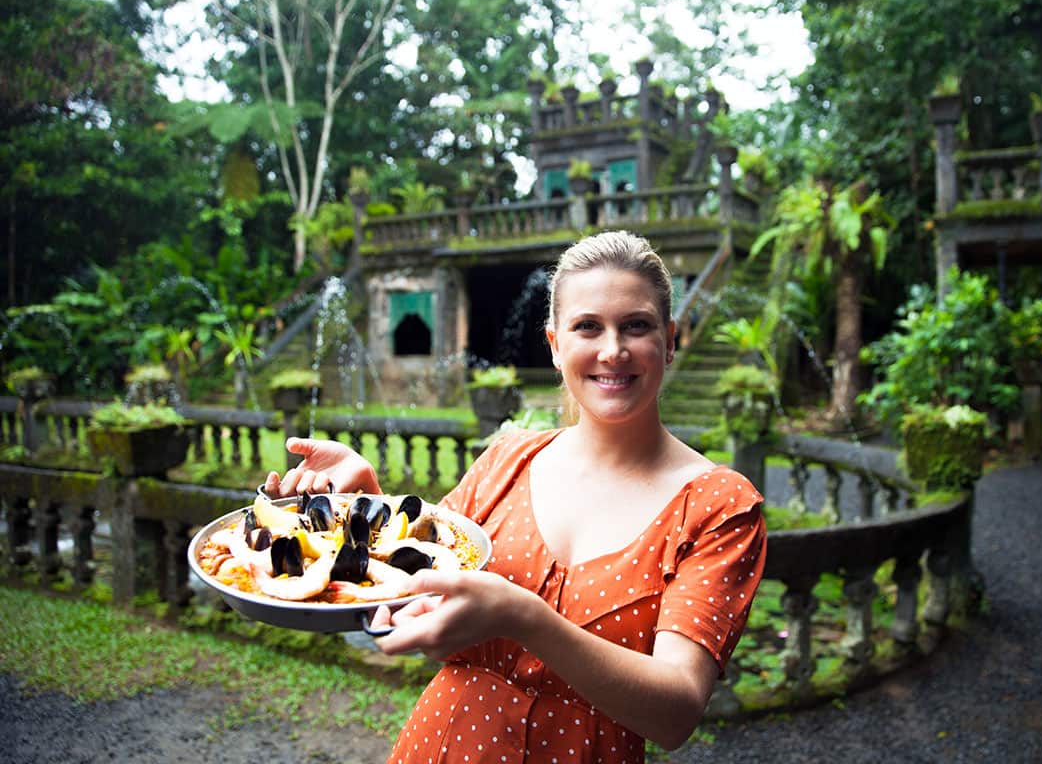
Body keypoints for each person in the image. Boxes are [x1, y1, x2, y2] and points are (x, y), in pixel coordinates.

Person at [265, 230, 767, 763]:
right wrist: (366, 499)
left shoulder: (717, 506)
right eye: (587, 327)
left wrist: (525, 618)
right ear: (555, 346)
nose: (613, 349)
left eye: (636, 326)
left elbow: (676, 711)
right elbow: (416, 582)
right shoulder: (508, 461)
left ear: (670, 339)